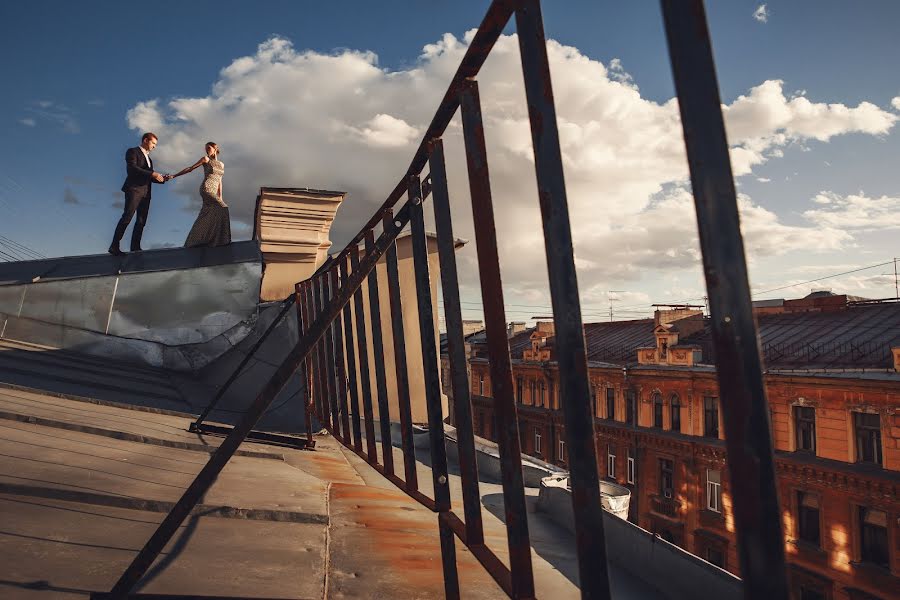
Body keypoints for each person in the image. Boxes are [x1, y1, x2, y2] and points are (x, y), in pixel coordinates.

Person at [109, 132, 170, 256]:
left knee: (142, 221)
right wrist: (153, 174)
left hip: (146, 193)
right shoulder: (132, 151)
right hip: (134, 190)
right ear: (146, 140)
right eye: (153, 143)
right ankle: (114, 246)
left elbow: (148, 176)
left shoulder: (150, 159)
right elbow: (132, 169)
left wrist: (162, 178)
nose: (154, 146)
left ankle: (135, 247)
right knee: (127, 217)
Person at [168, 142, 231, 248]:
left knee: (206, 214)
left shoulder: (221, 164)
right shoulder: (205, 159)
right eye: (206, 149)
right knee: (223, 207)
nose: (207, 150)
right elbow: (190, 168)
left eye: (209, 148)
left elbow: (220, 181)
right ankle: (220, 241)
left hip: (214, 191)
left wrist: (220, 196)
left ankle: (197, 240)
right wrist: (174, 175)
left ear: (215, 148)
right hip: (206, 189)